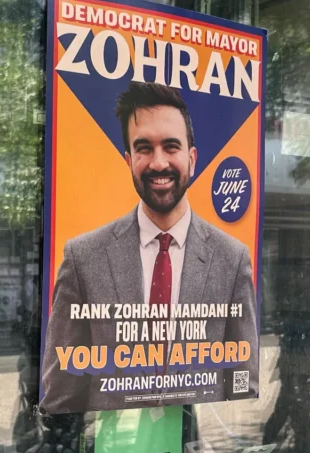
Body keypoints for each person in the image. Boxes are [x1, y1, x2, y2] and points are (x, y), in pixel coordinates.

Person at [40, 81, 258, 413]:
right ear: (129, 159)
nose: (158, 163)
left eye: (171, 146)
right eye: (144, 148)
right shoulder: (83, 257)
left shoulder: (232, 258)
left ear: (192, 158)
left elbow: (242, 387)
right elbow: (61, 397)